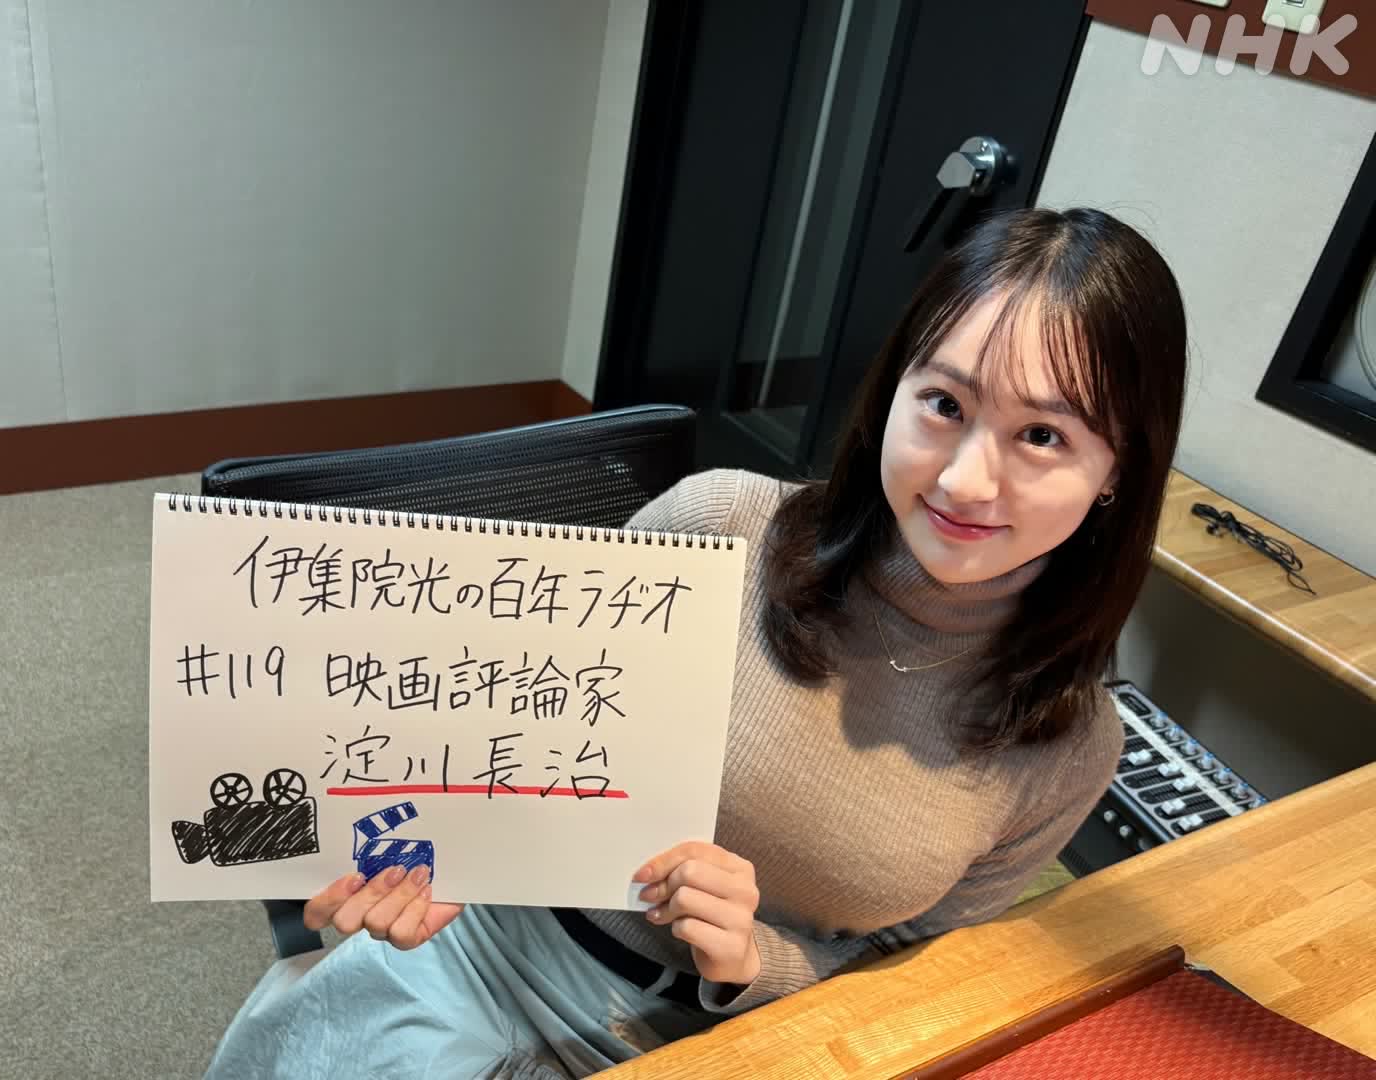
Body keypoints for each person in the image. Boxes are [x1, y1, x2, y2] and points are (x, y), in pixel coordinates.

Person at [205, 206, 1189, 1079]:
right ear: (894, 391)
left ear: (1117, 471)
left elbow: (912, 967)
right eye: (945, 404)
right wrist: (404, 841)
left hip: (735, 1047)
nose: (967, 479)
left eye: (1043, 437)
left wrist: (757, 961)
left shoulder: (1066, 747)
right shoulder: (724, 528)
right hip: (484, 956)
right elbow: (507, 717)